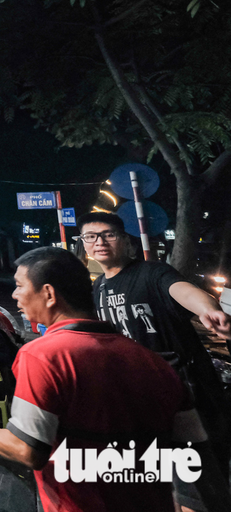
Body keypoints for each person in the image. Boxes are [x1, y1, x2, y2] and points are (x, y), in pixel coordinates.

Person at [0, 247, 230, 512]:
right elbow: (193, 454)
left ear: (49, 294)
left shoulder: (43, 355)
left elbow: (27, 450)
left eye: (19, 286)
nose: (15, 294)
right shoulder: (155, 363)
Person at [81, 211, 231, 509]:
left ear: (125, 240)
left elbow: (183, 291)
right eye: (91, 236)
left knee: (207, 481)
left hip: (187, 395)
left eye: (109, 234)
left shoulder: (152, 273)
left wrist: (208, 310)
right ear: (84, 244)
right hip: (142, 400)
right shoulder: (99, 288)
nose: (100, 242)